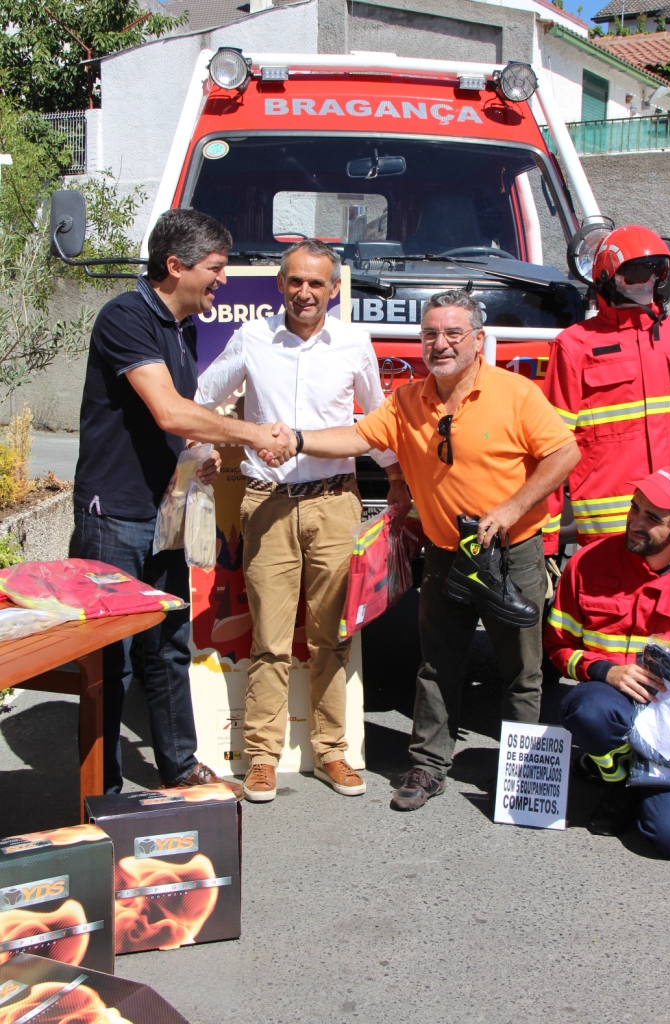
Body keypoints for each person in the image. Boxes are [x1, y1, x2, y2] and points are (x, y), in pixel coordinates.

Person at [262, 289, 580, 811]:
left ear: (478, 340)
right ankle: (429, 765)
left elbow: (564, 453)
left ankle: (521, 777)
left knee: (521, 669)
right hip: (444, 553)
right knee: (437, 663)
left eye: (453, 333)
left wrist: (509, 508)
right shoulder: (408, 400)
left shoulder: (516, 393)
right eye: (430, 334)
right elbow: (355, 436)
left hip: (512, 551)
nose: (441, 343)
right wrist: (296, 440)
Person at [73, 208, 293, 798]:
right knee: (110, 661)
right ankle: (104, 790)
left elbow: (181, 424)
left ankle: (179, 767)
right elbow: (168, 410)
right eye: (215, 269)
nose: (223, 281)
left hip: (162, 514)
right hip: (113, 516)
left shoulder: (182, 327)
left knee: (167, 649)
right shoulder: (125, 316)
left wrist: (211, 449)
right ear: (175, 266)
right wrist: (252, 434)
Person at [195, 239, 409, 803]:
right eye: (296, 282)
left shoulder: (354, 343)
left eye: (317, 283)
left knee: (330, 638)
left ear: (334, 289)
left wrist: (398, 480)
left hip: (334, 504)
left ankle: (331, 752)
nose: (306, 293)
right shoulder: (252, 338)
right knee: (268, 638)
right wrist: (207, 451)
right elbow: (202, 397)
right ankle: (261, 757)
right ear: (280, 285)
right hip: (265, 503)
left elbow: (375, 421)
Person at [545, 467, 670, 858]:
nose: (635, 522)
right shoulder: (588, 563)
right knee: (587, 709)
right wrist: (603, 670)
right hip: (613, 704)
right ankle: (618, 781)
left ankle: (651, 790)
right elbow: (558, 645)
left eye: (651, 517)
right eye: (634, 508)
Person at [543, 224, 670, 556]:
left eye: (657, 271)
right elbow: (551, 447)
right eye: (636, 273)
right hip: (612, 529)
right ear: (608, 278)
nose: (647, 282)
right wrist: (546, 539)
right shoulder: (574, 346)